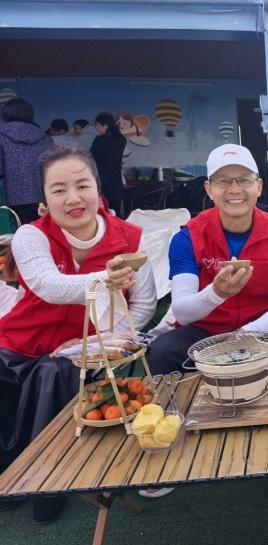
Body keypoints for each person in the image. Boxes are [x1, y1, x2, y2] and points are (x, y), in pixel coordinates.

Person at [0, 143, 156, 522]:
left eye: (82, 185)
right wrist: (107, 278)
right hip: (20, 341)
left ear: (98, 188)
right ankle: (8, 469)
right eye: (59, 189)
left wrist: (100, 342)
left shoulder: (131, 239)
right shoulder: (31, 236)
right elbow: (48, 285)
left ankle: (46, 479)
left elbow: (144, 305)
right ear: (44, 198)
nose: (73, 198)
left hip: (84, 351)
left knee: (55, 373)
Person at [149, 143, 268, 375]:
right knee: (163, 350)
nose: (235, 189)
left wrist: (248, 332)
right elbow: (182, 311)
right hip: (205, 330)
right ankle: (184, 401)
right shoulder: (188, 237)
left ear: (259, 187)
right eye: (223, 181)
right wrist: (216, 293)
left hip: (260, 327)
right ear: (209, 189)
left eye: (244, 180)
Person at [0, 98, 53, 224]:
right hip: (42, 197)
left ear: (5, 114)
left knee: (14, 233)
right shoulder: (46, 138)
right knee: (39, 230)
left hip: (9, 199)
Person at [90, 112, 126, 215]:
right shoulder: (122, 139)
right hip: (116, 182)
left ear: (106, 125)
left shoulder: (99, 140)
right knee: (115, 213)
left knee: (103, 213)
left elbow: (90, 158)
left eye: (98, 125)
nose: (96, 128)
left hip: (103, 182)